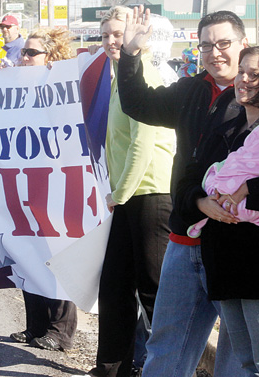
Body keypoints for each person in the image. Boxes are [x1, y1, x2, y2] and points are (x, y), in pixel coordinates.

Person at [116, 6, 249, 377]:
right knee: (166, 346)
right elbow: (138, 103)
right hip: (183, 241)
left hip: (237, 245)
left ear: (244, 44)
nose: (214, 52)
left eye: (224, 43)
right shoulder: (192, 89)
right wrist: (130, 55)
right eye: (206, 45)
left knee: (236, 354)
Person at [177, 44, 259, 376]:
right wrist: (200, 202)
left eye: (254, 74)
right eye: (241, 71)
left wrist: (248, 189)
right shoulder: (227, 121)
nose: (242, 79)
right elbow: (191, 173)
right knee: (247, 364)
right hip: (226, 263)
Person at [75, 6, 176, 377]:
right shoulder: (117, 78)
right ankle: (110, 368)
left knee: (153, 291)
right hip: (126, 196)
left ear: (137, 36)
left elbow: (142, 145)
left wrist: (119, 193)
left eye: (117, 34)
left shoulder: (146, 73)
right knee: (115, 287)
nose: (110, 42)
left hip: (150, 195)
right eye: (104, 35)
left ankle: (170, 366)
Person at [8, 28, 78, 352]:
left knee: (58, 255)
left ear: (51, 58)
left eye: (32, 53)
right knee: (29, 254)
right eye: (23, 52)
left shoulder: (63, 90)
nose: (24, 58)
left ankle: (59, 330)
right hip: (25, 181)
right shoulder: (18, 89)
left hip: (58, 182)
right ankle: (35, 325)